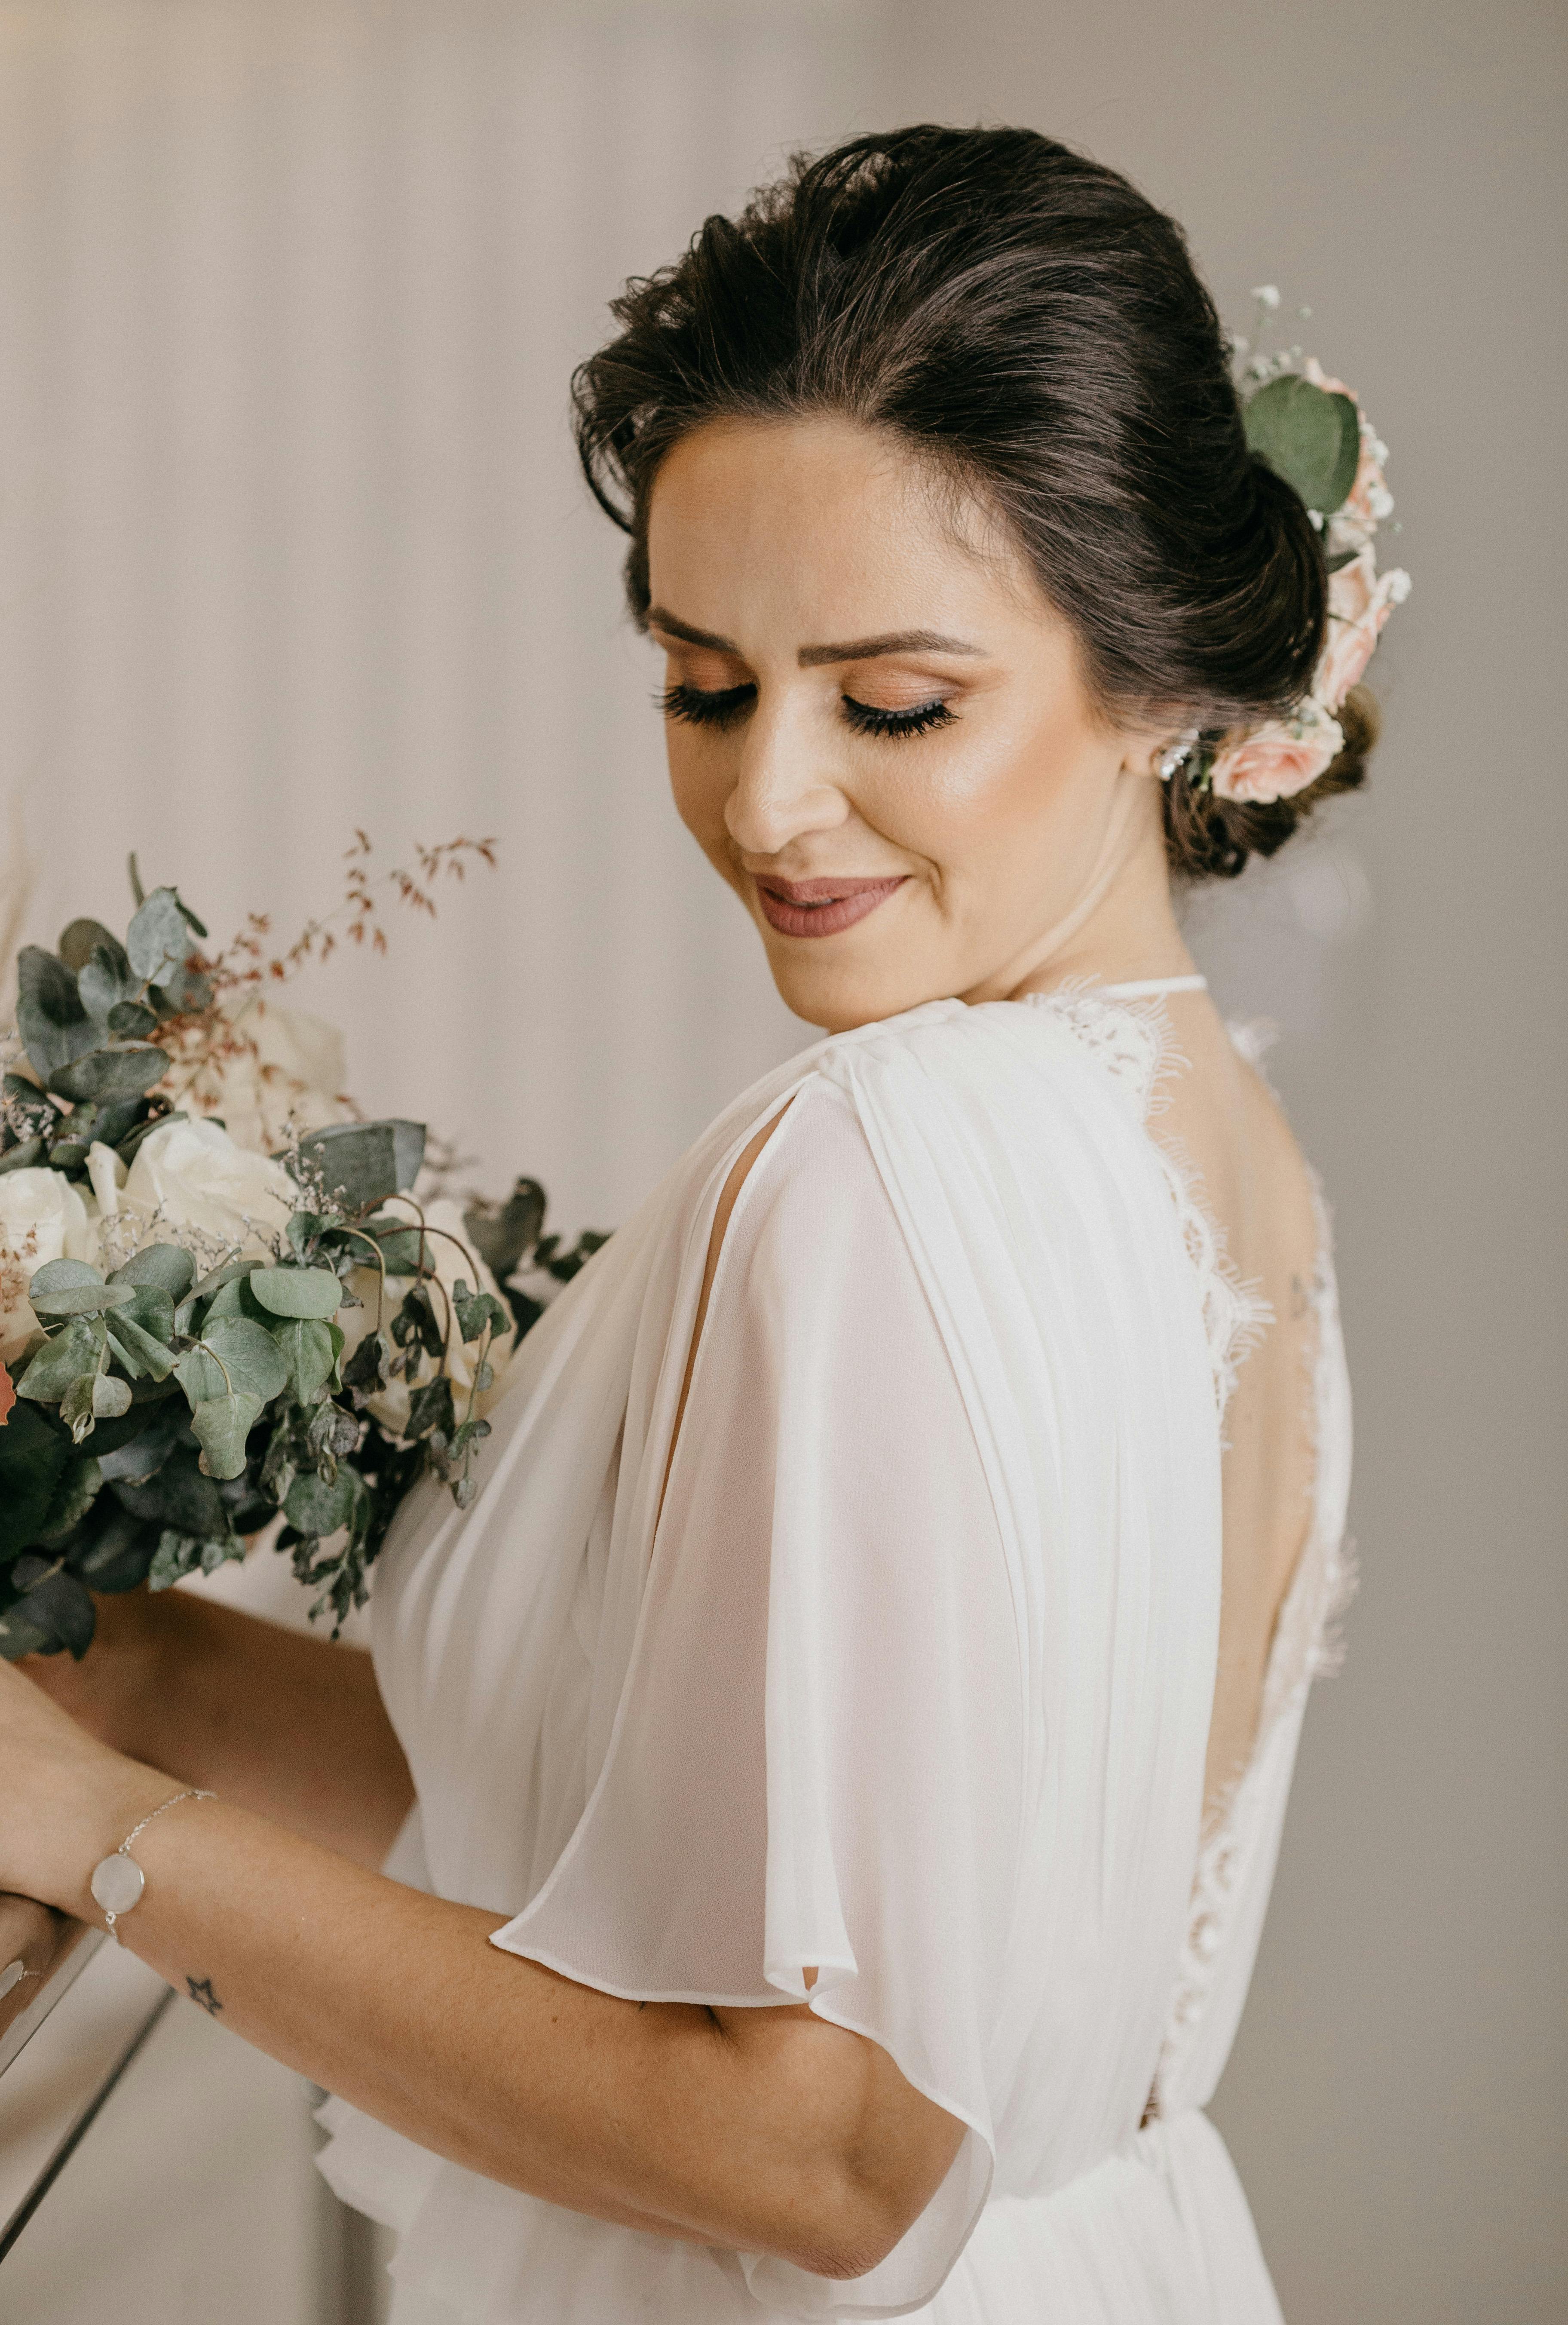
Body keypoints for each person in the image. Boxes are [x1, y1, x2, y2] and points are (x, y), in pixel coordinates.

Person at [0, 126, 1378, 2322]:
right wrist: (120, 1668)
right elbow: (613, 1817)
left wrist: (89, 1839)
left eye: (897, 703)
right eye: (706, 685)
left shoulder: (885, 1157)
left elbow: (824, 2151)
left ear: (1164, 685)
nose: (769, 802)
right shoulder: (1232, 1165)